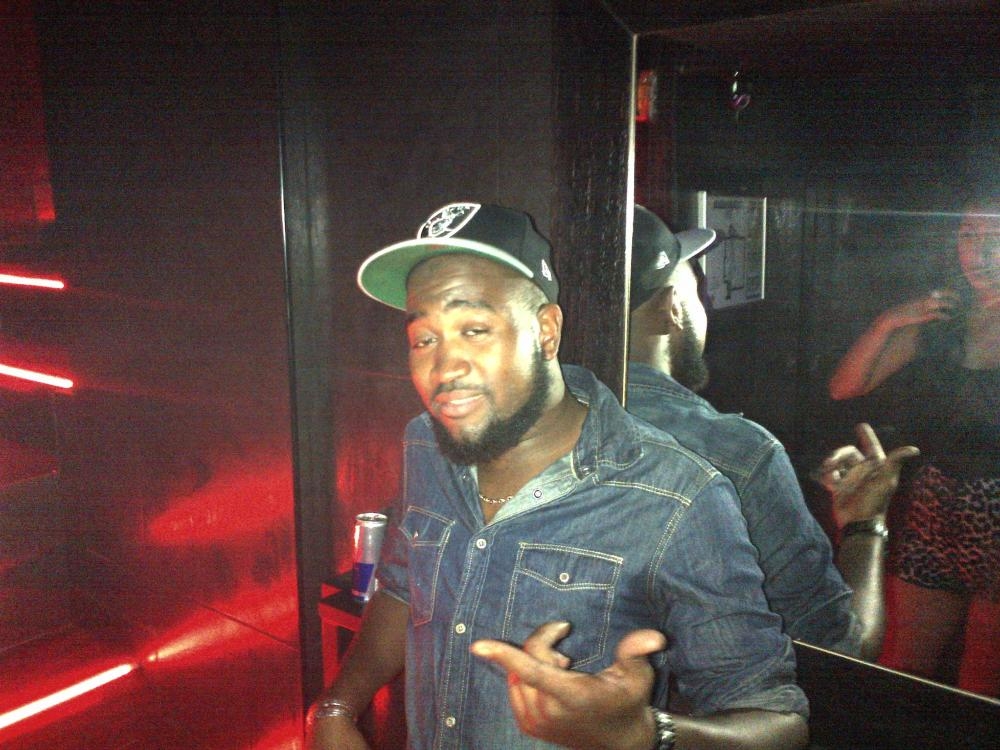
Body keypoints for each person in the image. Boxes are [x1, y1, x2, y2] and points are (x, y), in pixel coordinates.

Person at [307, 201, 808, 749]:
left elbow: (779, 726)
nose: (444, 368)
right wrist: (336, 706)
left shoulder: (676, 497)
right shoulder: (427, 443)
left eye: (474, 329)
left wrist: (643, 734)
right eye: (424, 339)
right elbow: (405, 586)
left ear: (546, 331)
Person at [623, 205, 919, 660]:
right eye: (697, 288)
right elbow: (836, 654)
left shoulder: (527, 426)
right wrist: (866, 523)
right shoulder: (736, 455)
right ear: (670, 310)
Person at [828, 194, 1000, 696]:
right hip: (935, 505)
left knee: (983, 682)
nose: (980, 252)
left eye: (996, 237)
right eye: (969, 235)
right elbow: (845, 387)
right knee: (904, 667)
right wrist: (889, 320)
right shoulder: (942, 318)